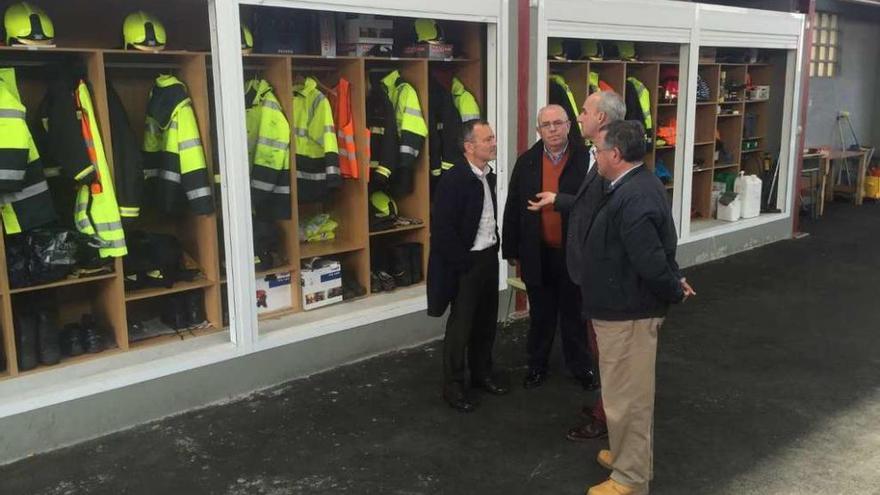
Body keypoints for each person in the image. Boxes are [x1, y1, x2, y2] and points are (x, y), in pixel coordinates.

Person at [581, 120, 695, 495]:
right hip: (621, 309)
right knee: (621, 394)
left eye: (598, 150)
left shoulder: (635, 195)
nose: (595, 156)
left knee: (628, 398)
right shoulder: (630, 185)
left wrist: (672, 288)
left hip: (629, 315)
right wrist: (673, 278)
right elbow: (657, 248)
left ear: (615, 154)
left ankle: (630, 479)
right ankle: (627, 456)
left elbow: (649, 258)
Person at [528, 91, 626, 441]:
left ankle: (607, 418)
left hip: (603, 273)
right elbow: (588, 204)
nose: (578, 117)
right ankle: (603, 407)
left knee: (608, 351)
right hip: (589, 268)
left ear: (600, 119)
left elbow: (606, 211)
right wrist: (559, 199)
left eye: (583, 112)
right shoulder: (598, 154)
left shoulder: (611, 158)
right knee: (599, 344)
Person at [502, 104, 595, 390]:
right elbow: (514, 205)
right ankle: (536, 366)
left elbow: (593, 204)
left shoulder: (586, 158)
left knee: (574, 314)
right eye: (546, 125)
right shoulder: (527, 161)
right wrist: (511, 249)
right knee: (540, 316)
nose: (553, 129)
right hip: (537, 252)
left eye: (558, 123)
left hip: (573, 253)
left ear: (569, 125)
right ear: (538, 130)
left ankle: (579, 367)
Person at [427, 119, 509, 413]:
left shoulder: (487, 175)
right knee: (461, 328)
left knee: (487, 323)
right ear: (469, 146)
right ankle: (454, 386)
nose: (493, 143)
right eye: (487, 140)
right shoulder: (453, 180)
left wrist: (495, 245)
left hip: (488, 258)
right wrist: (463, 264)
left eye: (493, 138)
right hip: (467, 264)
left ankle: (482, 375)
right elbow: (443, 231)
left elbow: (486, 216)